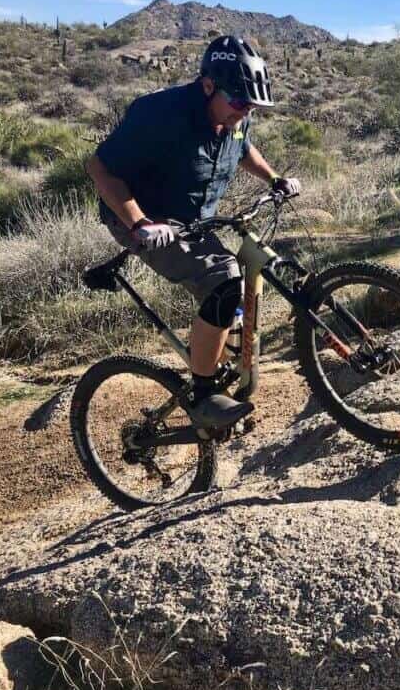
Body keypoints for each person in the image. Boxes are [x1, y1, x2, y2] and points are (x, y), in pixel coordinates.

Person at [86, 35, 299, 429]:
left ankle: (217, 354)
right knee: (222, 281)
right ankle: (203, 394)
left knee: (239, 283)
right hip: (144, 219)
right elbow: (100, 168)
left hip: (194, 219)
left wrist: (274, 178)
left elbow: (243, 146)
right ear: (207, 86)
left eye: (252, 105)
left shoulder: (235, 112)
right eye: (239, 102)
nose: (245, 111)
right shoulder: (159, 113)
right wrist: (140, 223)